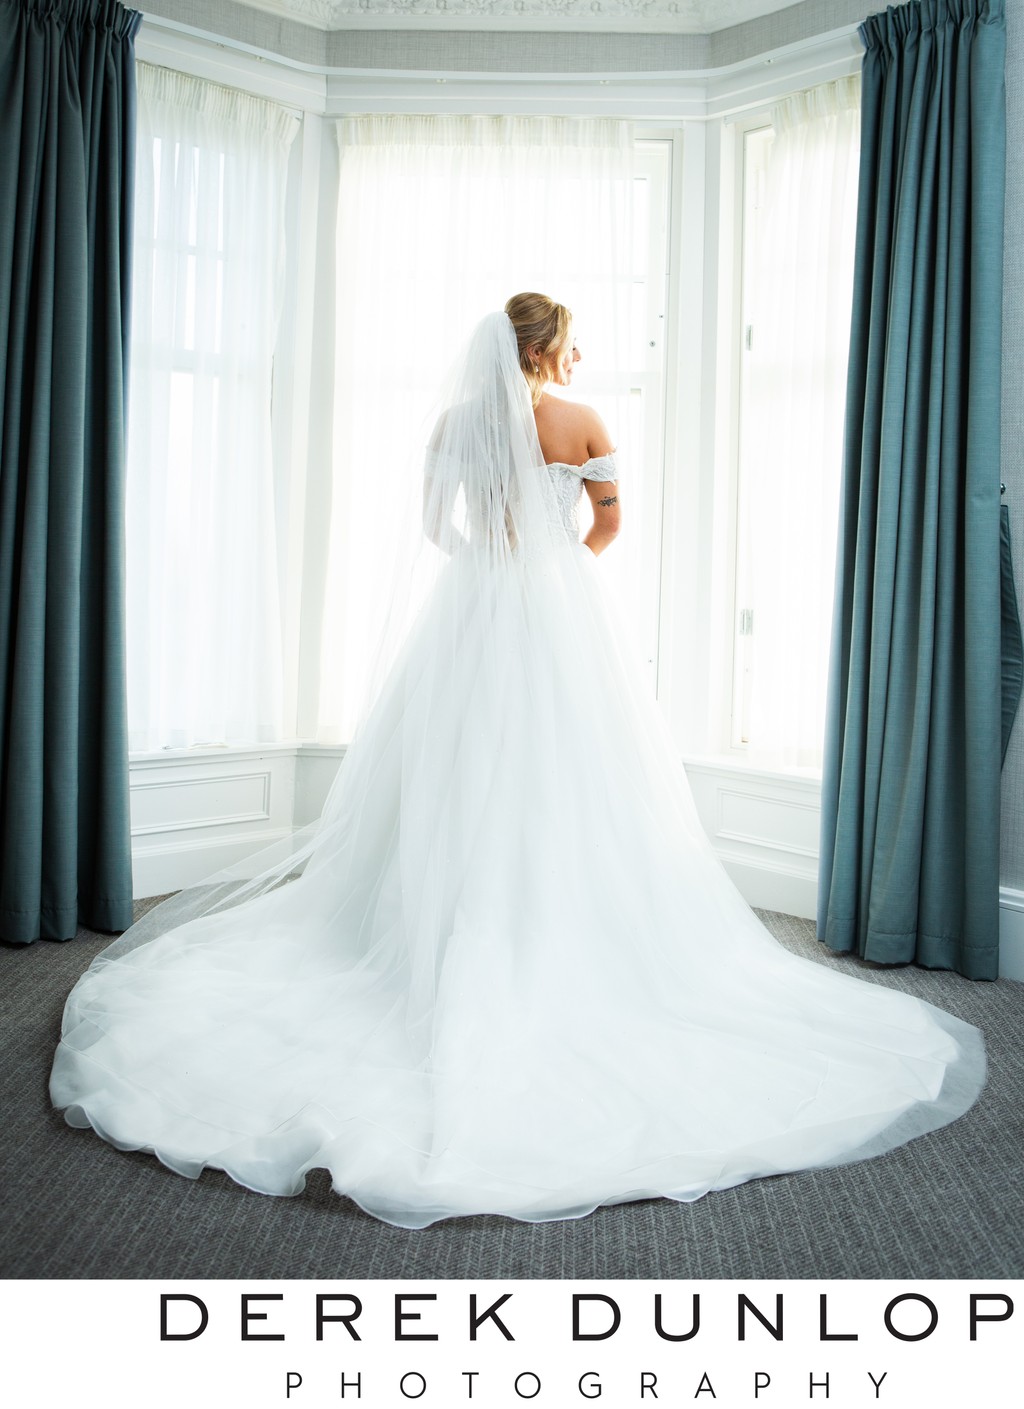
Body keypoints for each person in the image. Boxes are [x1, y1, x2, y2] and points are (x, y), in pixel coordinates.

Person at [50, 294, 986, 1230]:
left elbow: (434, 528)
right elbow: (609, 526)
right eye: (571, 341)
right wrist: (553, 563)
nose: (580, 355)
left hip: (473, 605)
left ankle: (435, 917)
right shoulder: (582, 420)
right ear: (547, 349)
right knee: (574, 775)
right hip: (554, 605)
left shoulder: (458, 421)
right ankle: (559, 917)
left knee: (453, 769)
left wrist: (490, 560)